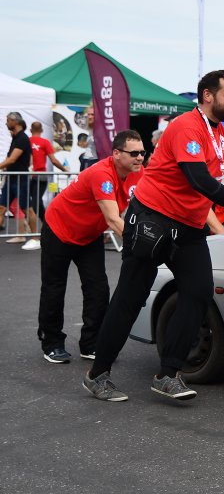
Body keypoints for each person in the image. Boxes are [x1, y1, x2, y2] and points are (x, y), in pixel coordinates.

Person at [82, 69, 224, 403]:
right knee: (131, 297)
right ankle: (98, 374)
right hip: (152, 221)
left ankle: (168, 373)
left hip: (186, 227)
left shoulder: (217, 132)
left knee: (199, 292)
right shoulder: (186, 126)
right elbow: (200, 180)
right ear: (207, 95)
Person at [37, 130, 145, 364]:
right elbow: (114, 219)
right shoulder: (102, 174)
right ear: (116, 154)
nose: (140, 158)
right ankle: (52, 343)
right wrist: (143, 244)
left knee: (98, 289)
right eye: (134, 153)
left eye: (142, 153)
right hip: (59, 230)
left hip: (89, 235)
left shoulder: (139, 173)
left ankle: (90, 344)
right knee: (54, 289)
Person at [22, 121, 68, 251]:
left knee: (32, 203)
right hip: (39, 175)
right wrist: (65, 170)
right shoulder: (45, 142)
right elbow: (53, 160)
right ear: (41, 130)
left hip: (28, 175)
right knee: (35, 204)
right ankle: (44, 226)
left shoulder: (26, 141)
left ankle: (46, 226)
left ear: (30, 130)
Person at [0, 112, 32, 242]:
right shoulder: (16, 138)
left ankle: (35, 237)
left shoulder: (22, 139)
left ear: (15, 122)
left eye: (8, 120)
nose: (6, 122)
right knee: (2, 207)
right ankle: (21, 234)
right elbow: (11, 159)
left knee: (27, 209)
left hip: (20, 179)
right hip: (12, 178)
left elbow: (12, 159)